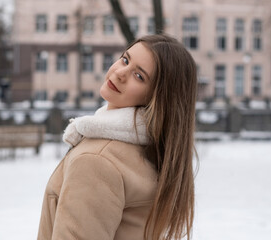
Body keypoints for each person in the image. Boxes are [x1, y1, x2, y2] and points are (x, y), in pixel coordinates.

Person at [37, 34, 198, 240]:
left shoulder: (97, 161)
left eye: (139, 76)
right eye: (125, 59)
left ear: (157, 98)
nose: (121, 73)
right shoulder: (150, 152)